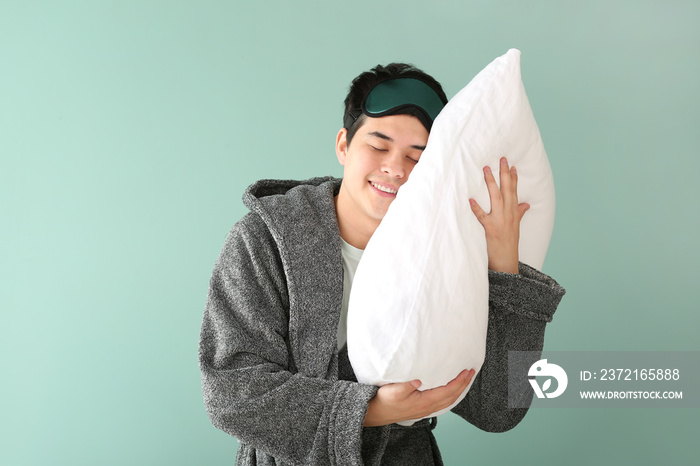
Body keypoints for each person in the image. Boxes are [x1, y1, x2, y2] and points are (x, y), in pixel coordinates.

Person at [199, 63, 566, 465]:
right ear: (343, 145)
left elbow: (499, 409)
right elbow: (232, 392)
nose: (396, 168)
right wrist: (372, 410)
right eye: (378, 146)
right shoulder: (264, 240)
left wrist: (503, 269)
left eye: (418, 157)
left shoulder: (447, 253)